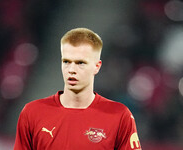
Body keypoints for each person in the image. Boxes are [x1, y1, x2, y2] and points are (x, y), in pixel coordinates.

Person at [14, 28, 142, 150]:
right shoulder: (33, 113)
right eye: (66, 62)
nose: (71, 70)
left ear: (97, 67)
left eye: (80, 63)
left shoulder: (119, 116)